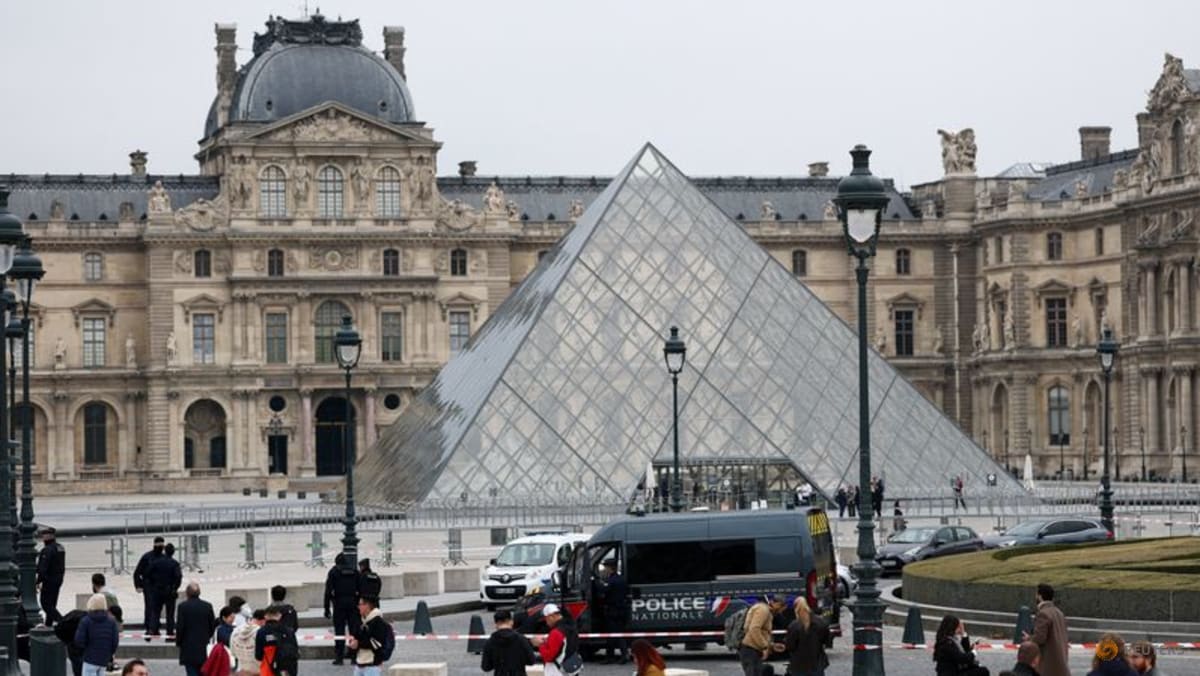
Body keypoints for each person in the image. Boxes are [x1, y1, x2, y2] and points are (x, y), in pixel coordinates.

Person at [1024, 583, 1070, 676]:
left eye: (1036, 594)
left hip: (1048, 665)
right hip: (1061, 664)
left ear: (1040, 596)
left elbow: (1040, 638)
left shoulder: (1043, 613)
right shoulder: (1059, 613)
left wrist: (1029, 638)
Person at [325, 553, 362, 665]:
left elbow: (328, 592)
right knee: (354, 631)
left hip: (339, 604)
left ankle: (339, 657)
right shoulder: (355, 571)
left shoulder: (334, 572)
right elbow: (360, 588)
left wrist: (327, 608)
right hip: (353, 604)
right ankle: (354, 655)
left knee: (339, 631)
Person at [738, 594, 787, 676]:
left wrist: (771, 645)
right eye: (781, 607)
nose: (781, 611)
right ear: (776, 603)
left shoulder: (767, 611)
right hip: (750, 650)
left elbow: (762, 632)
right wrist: (764, 646)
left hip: (754, 650)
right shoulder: (763, 610)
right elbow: (754, 629)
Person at [175, 582, 217, 676]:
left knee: (191, 671)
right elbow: (212, 625)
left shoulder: (183, 607)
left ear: (187, 593)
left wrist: (179, 641)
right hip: (204, 645)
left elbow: (180, 626)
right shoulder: (207, 606)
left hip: (188, 646)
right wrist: (207, 635)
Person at [74, 593, 120, 676]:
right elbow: (115, 641)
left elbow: (79, 640)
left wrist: (84, 651)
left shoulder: (86, 620)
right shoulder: (111, 621)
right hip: (103, 659)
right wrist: (109, 654)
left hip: (89, 658)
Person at [481, 608, 536, 676]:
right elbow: (531, 661)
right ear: (511, 621)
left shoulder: (490, 642)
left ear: (496, 624)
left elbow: (486, 667)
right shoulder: (521, 639)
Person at [783, 597, 829, 676]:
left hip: (798, 665)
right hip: (816, 662)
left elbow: (790, 646)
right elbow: (826, 640)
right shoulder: (821, 622)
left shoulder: (794, 625)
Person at [529, 603, 577, 676]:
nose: (546, 623)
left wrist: (540, 645)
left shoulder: (556, 632)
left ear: (551, 616)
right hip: (570, 669)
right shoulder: (571, 629)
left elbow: (549, 656)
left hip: (556, 671)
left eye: (546, 619)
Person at [348, 596, 391, 676]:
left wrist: (359, 644)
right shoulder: (360, 621)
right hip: (359, 663)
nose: (358, 607)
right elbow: (355, 636)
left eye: (360, 604)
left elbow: (377, 643)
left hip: (372, 665)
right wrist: (352, 642)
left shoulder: (379, 623)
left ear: (367, 606)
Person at [147, 542, 182, 638]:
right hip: (169, 590)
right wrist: (175, 588)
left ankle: (154, 629)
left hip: (157, 590)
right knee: (170, 613)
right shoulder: (175, 564)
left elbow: (148, 574)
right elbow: (178, 577)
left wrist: (153, 584)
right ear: (173, 552)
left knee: (155, 611)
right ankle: (170, 631)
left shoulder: (156, 562)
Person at [598, 559, 629, 664]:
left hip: (613, 610)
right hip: (620, 610)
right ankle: (610, 656)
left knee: (616, 634)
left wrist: (596, 581)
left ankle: (624, 655)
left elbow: (603, 590)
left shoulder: (612, 580)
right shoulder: (621, 579)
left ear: (610, 568)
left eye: (606, 567)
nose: (605, 569)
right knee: (612, 634)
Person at [133, 537, 166, 632]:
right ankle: (149, 626)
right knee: (150, 606)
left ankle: (155, 626)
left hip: (159, 586)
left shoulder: (163, 558)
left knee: (158, 607)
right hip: (149, 586)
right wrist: (138, 585)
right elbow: (137, 572)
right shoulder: (147, 557)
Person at [256, 605, 299, 676]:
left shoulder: (261, 632)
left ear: (265, 616)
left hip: (269, 669)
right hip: (288, 669)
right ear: (279, 616)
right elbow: (295, 650)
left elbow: (258, 656)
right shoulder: (289, 631)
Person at [36, 526, 66, 625]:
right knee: (52, 604)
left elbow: (43, 568)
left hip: (49, 580)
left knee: (45, 603)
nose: (43, 538)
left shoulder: (47, 550)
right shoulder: (60, 547)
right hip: (59, 579)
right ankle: (48, 624)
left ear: (47, 537)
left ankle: (62, 622)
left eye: (44, 535)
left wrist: (38, 581)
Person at [231, 609, 265, 676]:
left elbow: (233, 652)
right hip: (257, 670)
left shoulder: (236, 630)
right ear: (263, 620)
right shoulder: (261, 633)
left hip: (242, 669)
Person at [57, 609, 89, 676]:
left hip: (71, 641)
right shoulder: (88, 618)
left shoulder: (76, 615)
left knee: (77, 667)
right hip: (79, 644)